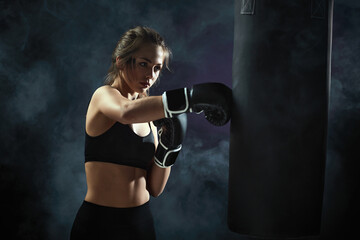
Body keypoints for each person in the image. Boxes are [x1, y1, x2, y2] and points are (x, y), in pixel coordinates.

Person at [70, 26, 232, 240]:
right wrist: (192, 98)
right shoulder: (104, 96)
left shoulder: (152, 117)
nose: (150, 75)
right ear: (121, 61)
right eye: (143, 64)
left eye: (157, 68)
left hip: (140, 222)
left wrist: (170, 147)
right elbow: (126, 112)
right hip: (100, 222)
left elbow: (155, 188)